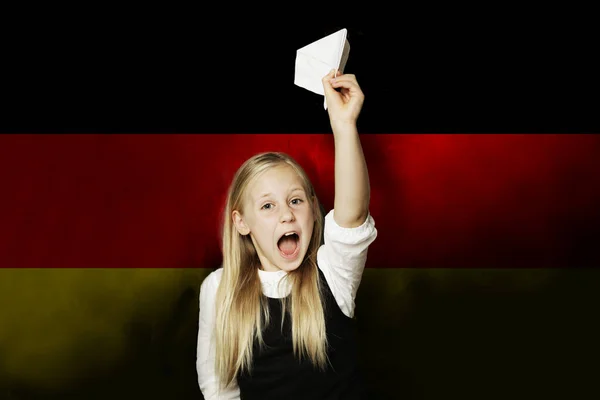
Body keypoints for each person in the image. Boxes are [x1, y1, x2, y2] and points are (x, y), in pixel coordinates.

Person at [196, 69, 378, 399]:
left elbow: (353, 215)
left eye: (295, 200)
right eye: (267, 206)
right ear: (241, 223)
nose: (286, 214)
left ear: (313, 209)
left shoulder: (333, 273)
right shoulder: (219, 289)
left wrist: (344, 125)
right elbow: (218, 389)